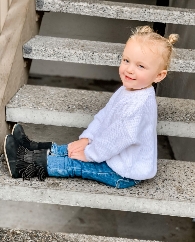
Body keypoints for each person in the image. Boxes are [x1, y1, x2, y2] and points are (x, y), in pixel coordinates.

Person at [4, 26, 179, 189]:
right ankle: (32, 148)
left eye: (140, 66)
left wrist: (89, 154)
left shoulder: (138, 105)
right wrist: (87, 139)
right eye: (126, 60)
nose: (129, 69)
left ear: (159, 75)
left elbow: (116, 138)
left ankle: (23, 163)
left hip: (123, 171)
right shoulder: (129, 90)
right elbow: (104, 117)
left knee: (75, 163)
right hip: (111, 154)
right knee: (71, 148)